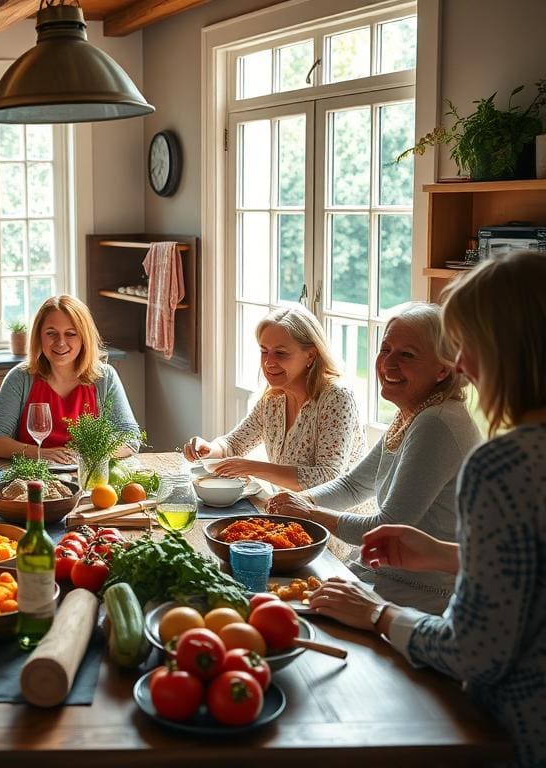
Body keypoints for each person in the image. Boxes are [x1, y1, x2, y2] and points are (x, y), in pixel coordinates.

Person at [308, 251, 546, 768]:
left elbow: (473, 651)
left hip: (517, 734)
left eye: (469, 344)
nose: (461, 365)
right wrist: (447, 554)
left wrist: (375, 614)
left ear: (511, 348)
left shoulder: (504, 463)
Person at [266, 303, 481, 612]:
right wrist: (299, 504)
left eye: (407, 355)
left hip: (418, 596)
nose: (388, 364)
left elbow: (389, 526)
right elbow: (355, 485)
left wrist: (310, 514)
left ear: (442, 369)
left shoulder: (437, 423)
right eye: (385, 349)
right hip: (381, 576)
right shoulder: (415, 412)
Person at [183, 305, 365, 491]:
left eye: (280, 353)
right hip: (288, 510)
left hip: (332, 517)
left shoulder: (336, 398)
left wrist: (253, 468)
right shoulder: (273, 399)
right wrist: (209, 448)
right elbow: (233, 444)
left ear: (310, 355)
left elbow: (328, 477)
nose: (269, 362)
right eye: (264, 351)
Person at [0, 294, 141, 462]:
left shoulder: (105, 377)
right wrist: (40, 454)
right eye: (51, 333)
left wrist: (90, 456)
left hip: (88, 480)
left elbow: (130, 438)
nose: (61, 342)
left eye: (71, 334)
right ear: (38, 336)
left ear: (84, 338)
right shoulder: (20, 378)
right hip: (32, 480)